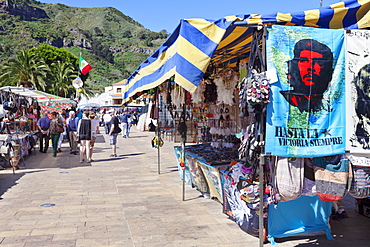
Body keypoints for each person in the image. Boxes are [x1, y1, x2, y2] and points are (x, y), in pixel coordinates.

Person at [280, 39, 334, 113]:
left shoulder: (331, 103)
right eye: (304, 60)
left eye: (317, 62)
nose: (310, 67)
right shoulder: (283, 99)